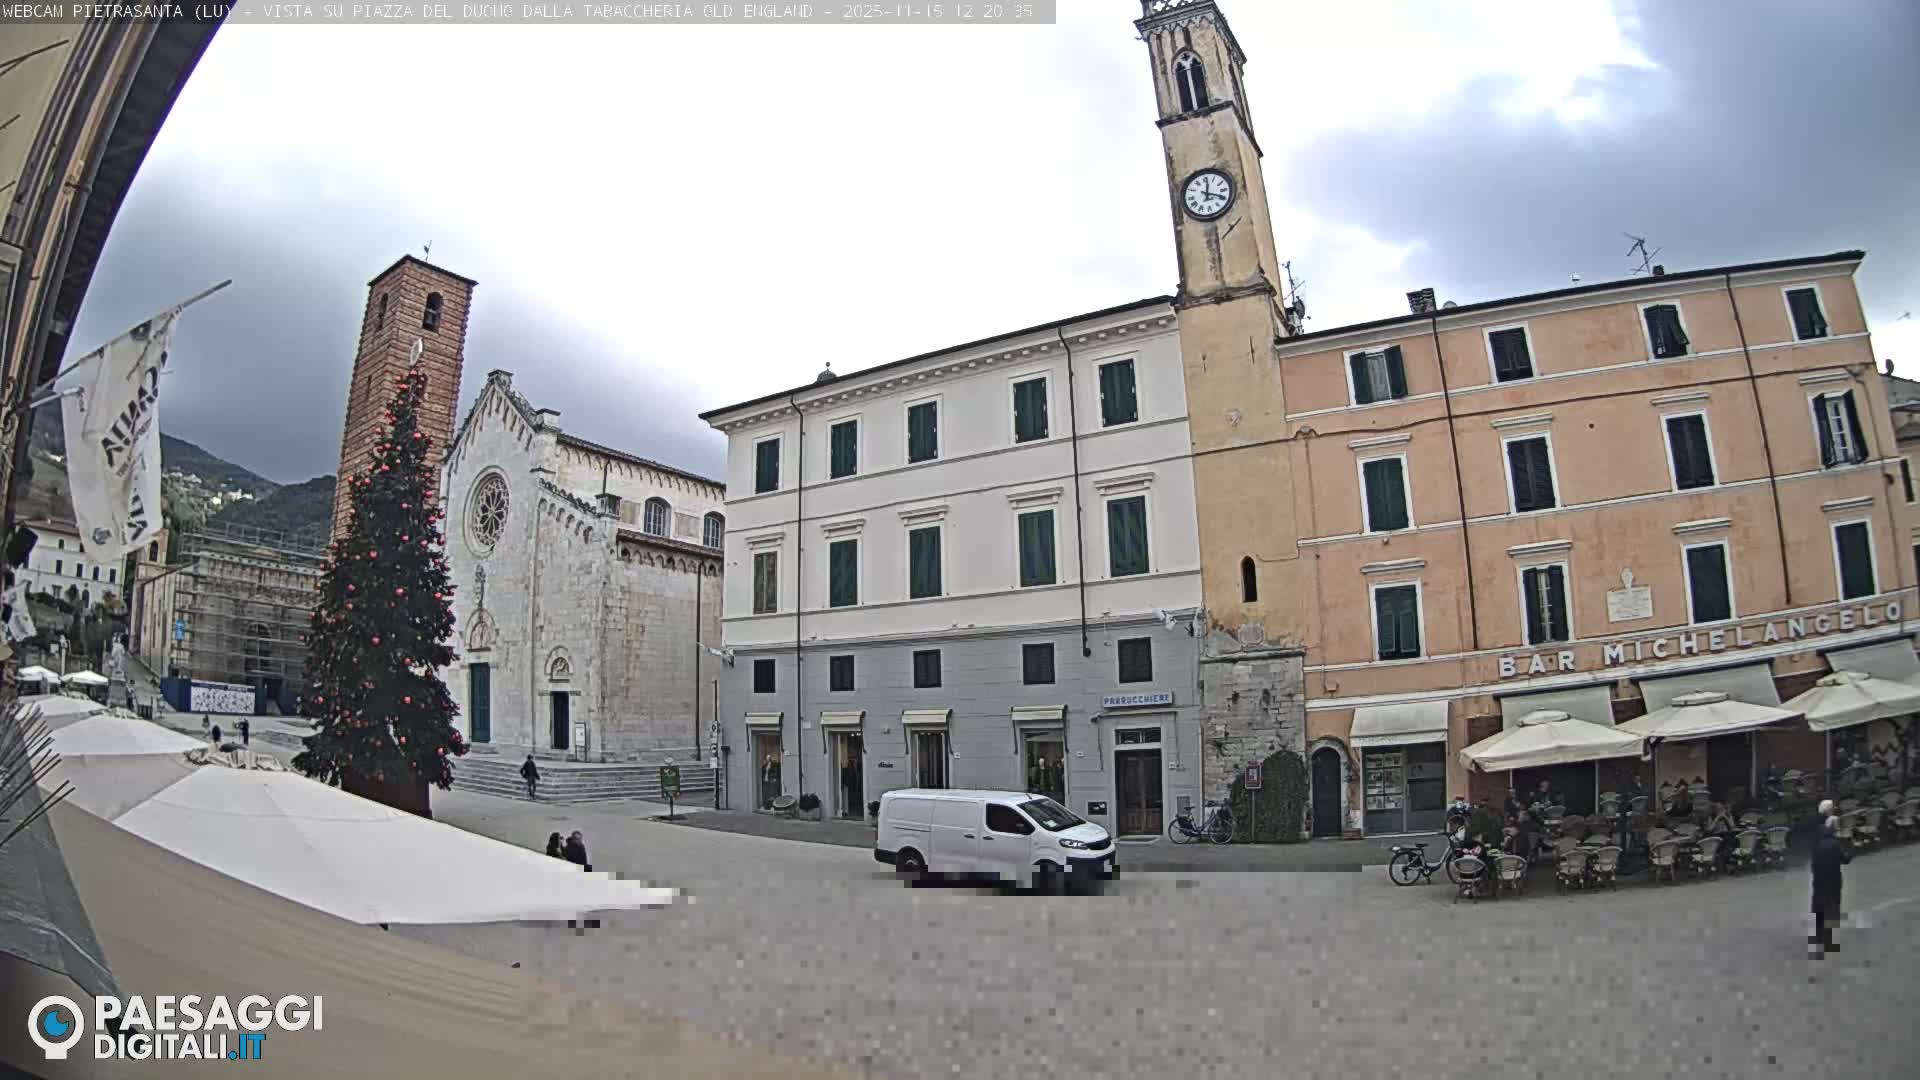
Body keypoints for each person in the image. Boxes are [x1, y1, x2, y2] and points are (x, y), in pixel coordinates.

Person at [1809, 815, 1851, 956]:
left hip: (1820, 884)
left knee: (1820, 911)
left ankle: (1819, 941)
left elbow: (1813, 867)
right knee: (1832, 910)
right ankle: (1829, 941)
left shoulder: (1816, 848)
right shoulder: (1835, 844)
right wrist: (1849, 850)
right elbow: (1845, 860)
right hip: (1834, 883)